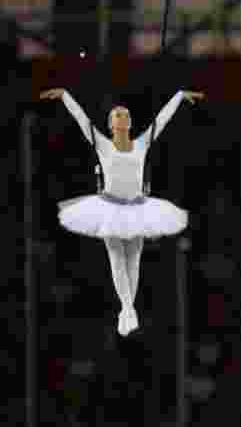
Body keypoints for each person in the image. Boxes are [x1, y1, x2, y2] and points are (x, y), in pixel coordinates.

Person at [40, 87, 204, 335]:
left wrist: (179, 96)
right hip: (110, 206)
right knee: (117, 258)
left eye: (125, 113)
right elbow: (82, 119)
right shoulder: (103, 145)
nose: (122, 115)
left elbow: (161, 119)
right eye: (117, 114)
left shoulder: (141, 144)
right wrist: (65, 96)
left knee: (133, 260)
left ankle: (128, 308)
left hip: (137, 206)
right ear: (111, 124)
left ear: (129, 122)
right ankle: (127, 309)